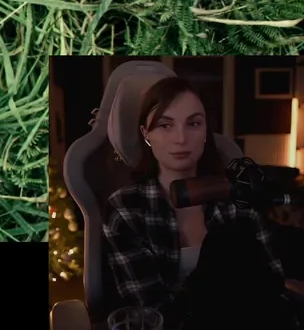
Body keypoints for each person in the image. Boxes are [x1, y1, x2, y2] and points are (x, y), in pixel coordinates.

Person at [102, 75, 298, 329]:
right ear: (146, 134)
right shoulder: (126, 208)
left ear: (206, 131)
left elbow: (273, 286)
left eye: (193, 123)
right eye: (165, 125)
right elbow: (149, 313)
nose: (181, 138)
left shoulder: (238, 196)